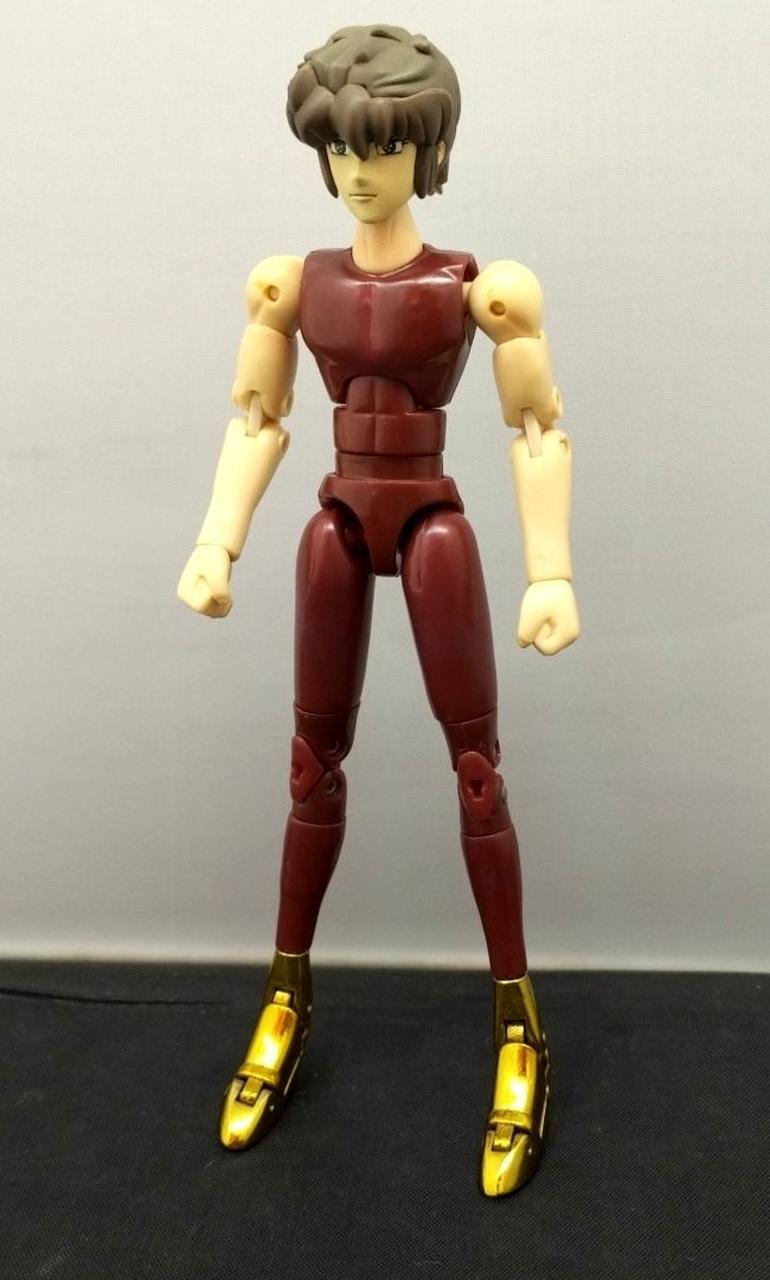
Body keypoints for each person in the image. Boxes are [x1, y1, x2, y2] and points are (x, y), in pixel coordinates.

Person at [177, 24, 579, 1197]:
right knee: (310, 767)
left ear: (425, 150)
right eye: (343, 148)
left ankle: (516, 1022)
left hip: (432, 519)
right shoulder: (293, 283)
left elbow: (535, 428)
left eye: (384, 147)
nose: (360, 170)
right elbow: (256, 420)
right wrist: (216, 539)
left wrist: (548, 569)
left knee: (476, 773)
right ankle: (284, 994)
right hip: (339, 522)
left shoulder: (475, 290)